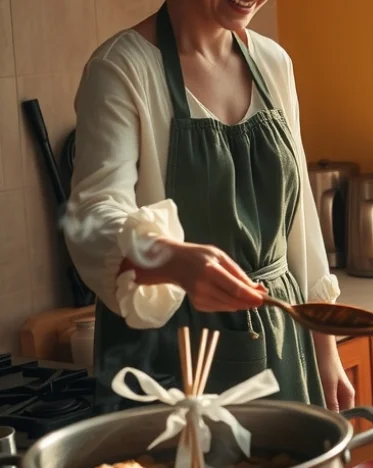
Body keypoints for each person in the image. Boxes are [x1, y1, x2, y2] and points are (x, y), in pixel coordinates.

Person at [66, 0, 354, 414]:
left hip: (281, 339)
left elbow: (300, 217)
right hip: (168, 357)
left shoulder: (273, 62)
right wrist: (173, 261)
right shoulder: (121, 69)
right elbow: (92, 217)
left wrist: (326, 350)